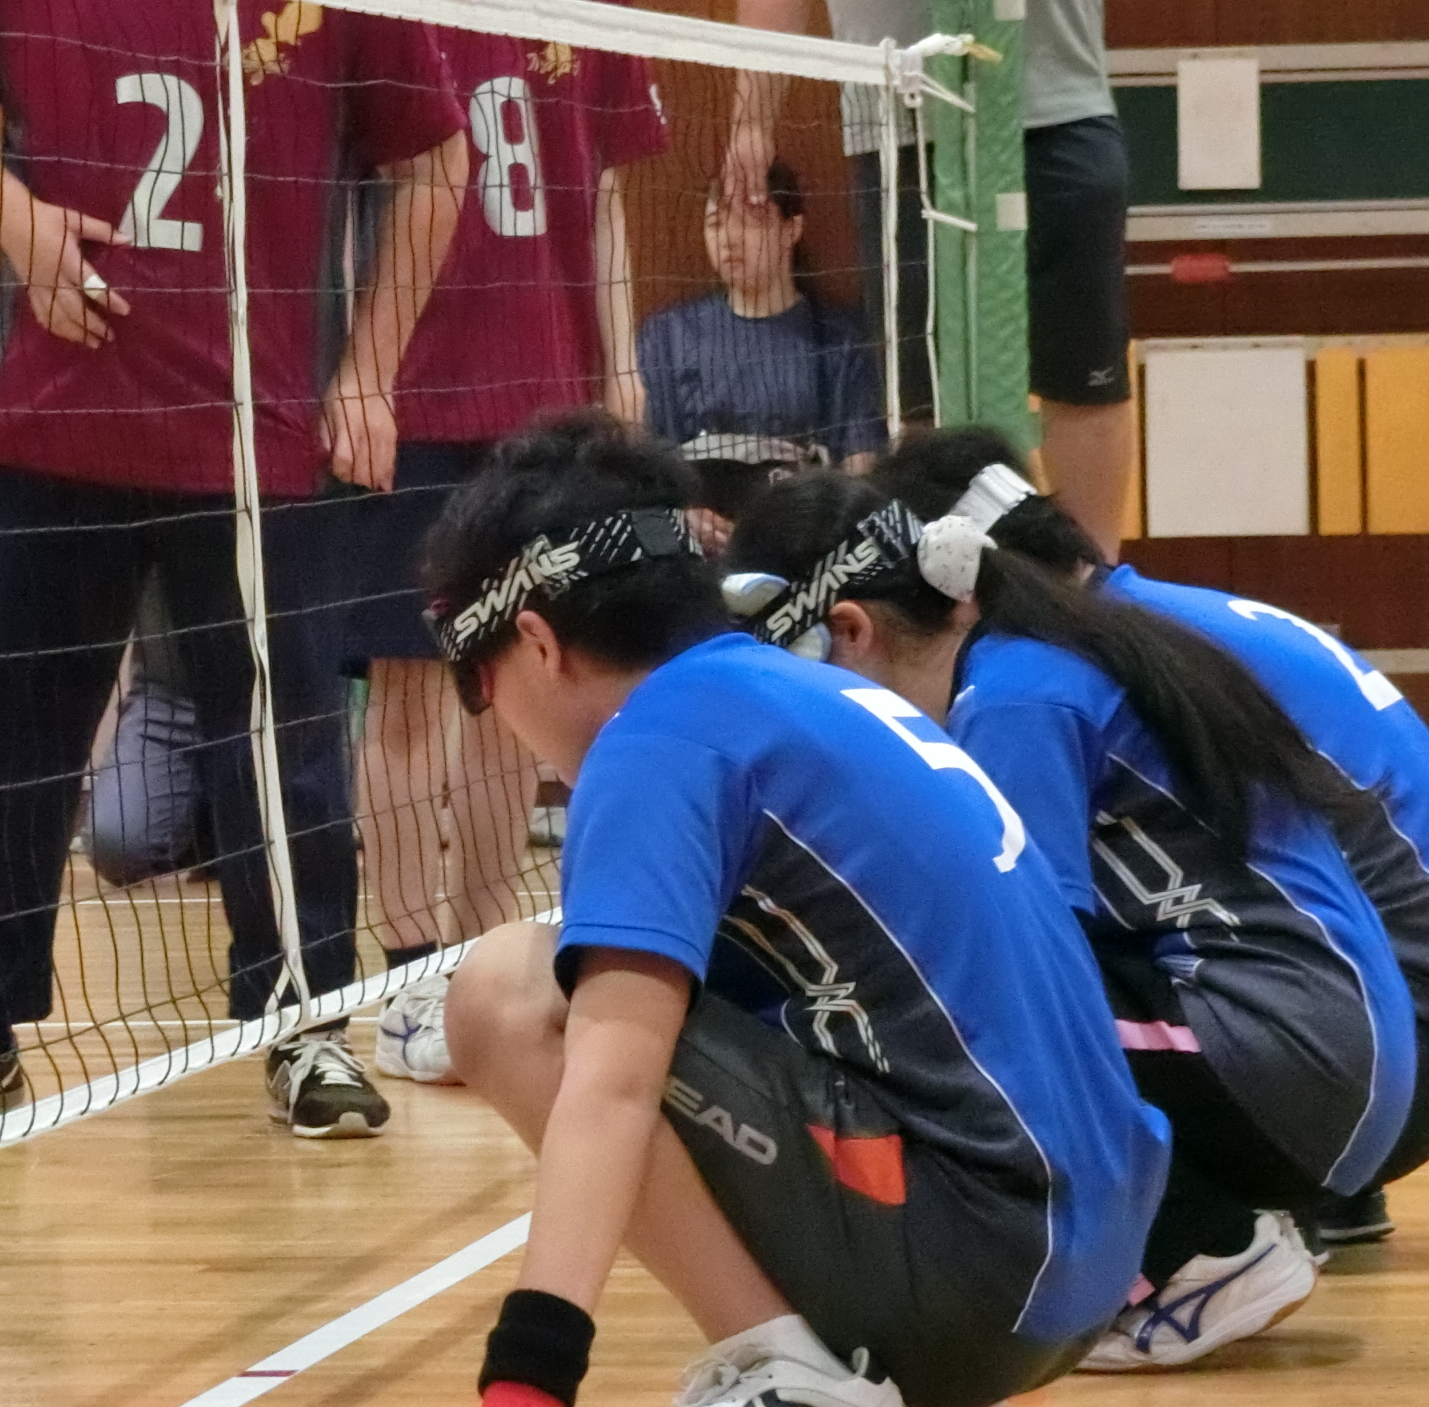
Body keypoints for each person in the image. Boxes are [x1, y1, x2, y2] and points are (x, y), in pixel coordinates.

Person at [426, 413, 1169, 1407]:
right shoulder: (796, 690)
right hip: (1083, 1268)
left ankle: (797, 1385)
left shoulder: (659, 739)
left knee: (502, 993)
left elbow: (613, 1085)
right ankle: (925, 1384)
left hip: (985, 1269)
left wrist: (528, 1379)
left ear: (533, 641)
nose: (496, 726)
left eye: (475, 687)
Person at [0, 0, 467, 1143]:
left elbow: (435, 156)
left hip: (254, 438)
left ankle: (304, 1025)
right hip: (40, 424)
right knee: (9, 741)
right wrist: (24, 229)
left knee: (282, 744)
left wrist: (369, 371)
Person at [728, 468, 1417, 1372]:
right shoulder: (1037, 654)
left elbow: (1020, 948)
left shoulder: (1014, 697)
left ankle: (1199, 1253)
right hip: (1330, 1046)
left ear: (850, 631)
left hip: (1303, 1057)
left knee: (916, 1019)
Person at [873, 426, 1429, 1248]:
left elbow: (1031, 937)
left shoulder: (1040, 678)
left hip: (1384, 1038)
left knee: (1001, 979)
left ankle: (1194, 1239)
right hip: (1383, 1032)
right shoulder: (1153, 619)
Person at [346, 31, 667, 1088]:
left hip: (542, 393)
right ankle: (405, 977)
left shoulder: (589, 19)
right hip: (412, 387)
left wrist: (617, 362)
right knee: (401, 685)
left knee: (511, 688)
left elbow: (606, 196)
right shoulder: (392, 17)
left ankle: (485, 960)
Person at [729, 0, 1135, 558]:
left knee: (1085, 379)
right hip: (900, 125)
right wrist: (751, 122)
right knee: (922, 397)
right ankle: (936, 586)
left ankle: (1096, 585)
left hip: (1056, 111)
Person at [0, 326, 209, 889]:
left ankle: (234, 824)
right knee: (114, 843)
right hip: (170, 694)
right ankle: (202, 822)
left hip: (266, 687)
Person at [639, 165, 884, 475]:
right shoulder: (668, 336)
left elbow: (861, 463)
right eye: (716, 224)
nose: (729, 238)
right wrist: (690, 511)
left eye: (750, 221)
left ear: (791, 229)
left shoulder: (840, 340)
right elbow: (651, 465)